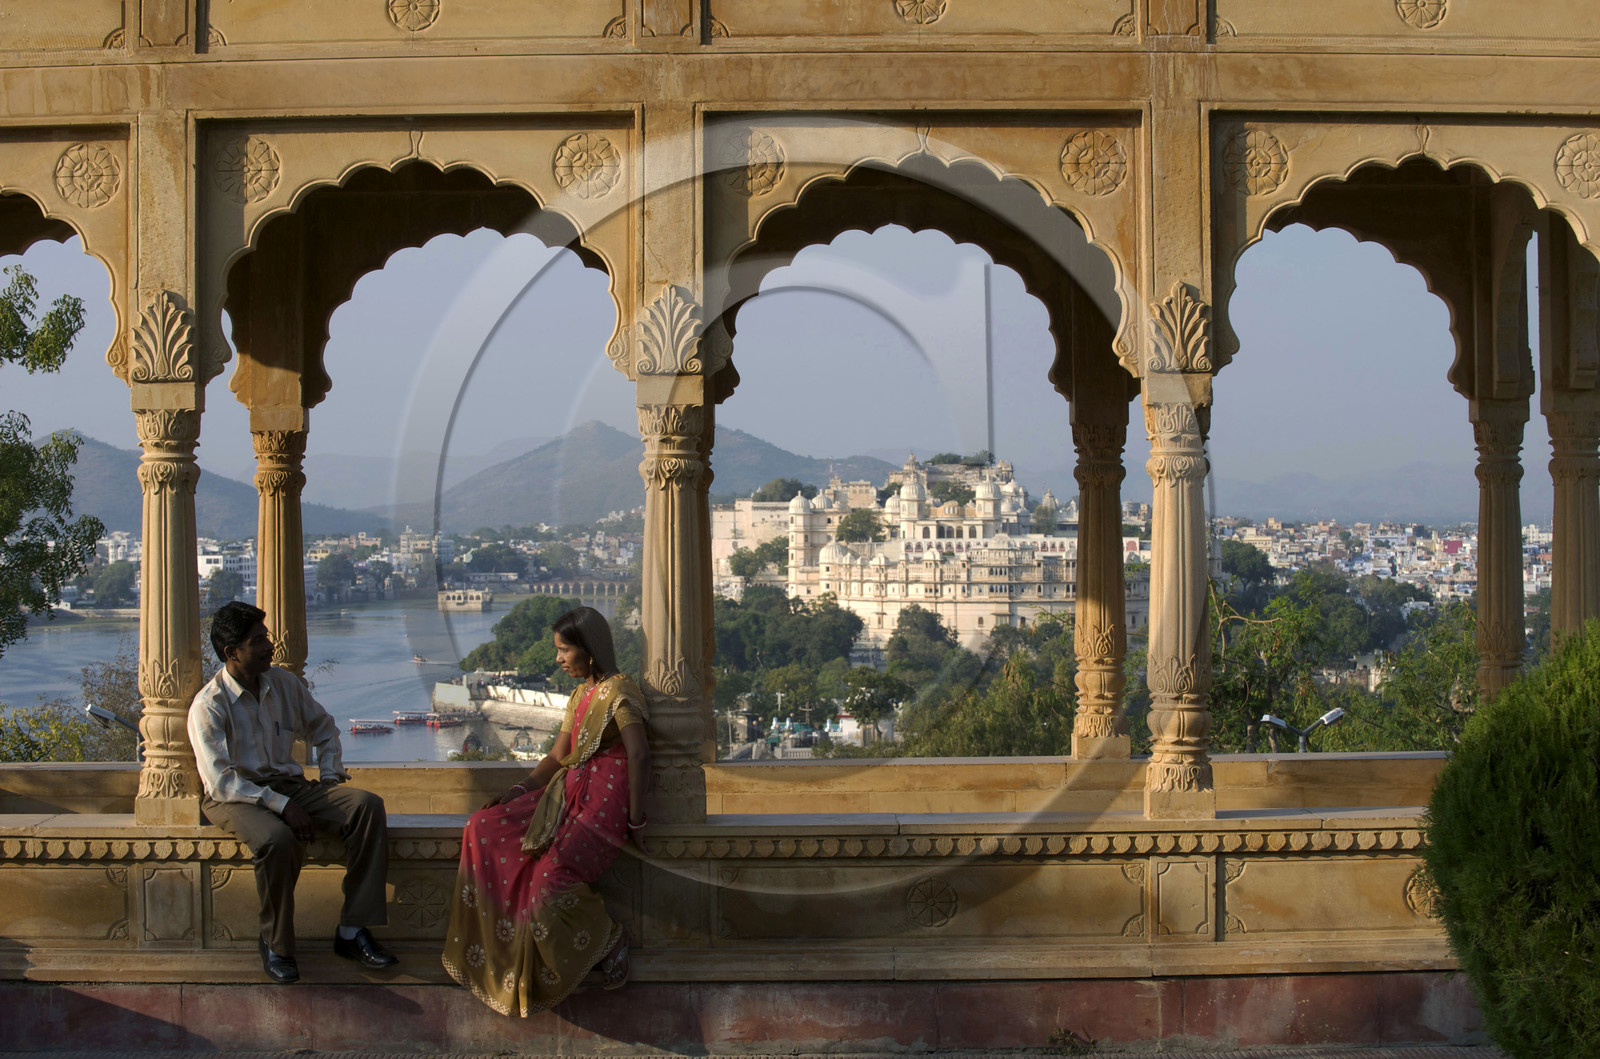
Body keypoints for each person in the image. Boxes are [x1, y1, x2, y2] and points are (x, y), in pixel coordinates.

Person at [442, 606, 650, 1016]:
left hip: (602, 803)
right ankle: (500, 954)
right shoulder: (580, 694)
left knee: (548, 885)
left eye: (563, 650)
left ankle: (610, 938)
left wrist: (636, 819)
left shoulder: (619, 689)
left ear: (588, 650)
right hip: (565, 792)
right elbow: (558, 756)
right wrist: (515, 792)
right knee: (482, 825)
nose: (558, 659)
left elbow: (640, 754)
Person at [188, 601, 398, 984]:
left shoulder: (283, 684)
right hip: (233, 796)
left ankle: (352, 931)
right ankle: (276, 944)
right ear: (231, 653)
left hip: (288, 786)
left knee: (366, 807)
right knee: (277, 840)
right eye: (257, 641)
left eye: (265, 637)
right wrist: (281, 806)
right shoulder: (209, 704)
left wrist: (331, 777)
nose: (269, 646)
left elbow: (324, 727)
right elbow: (221, 781)